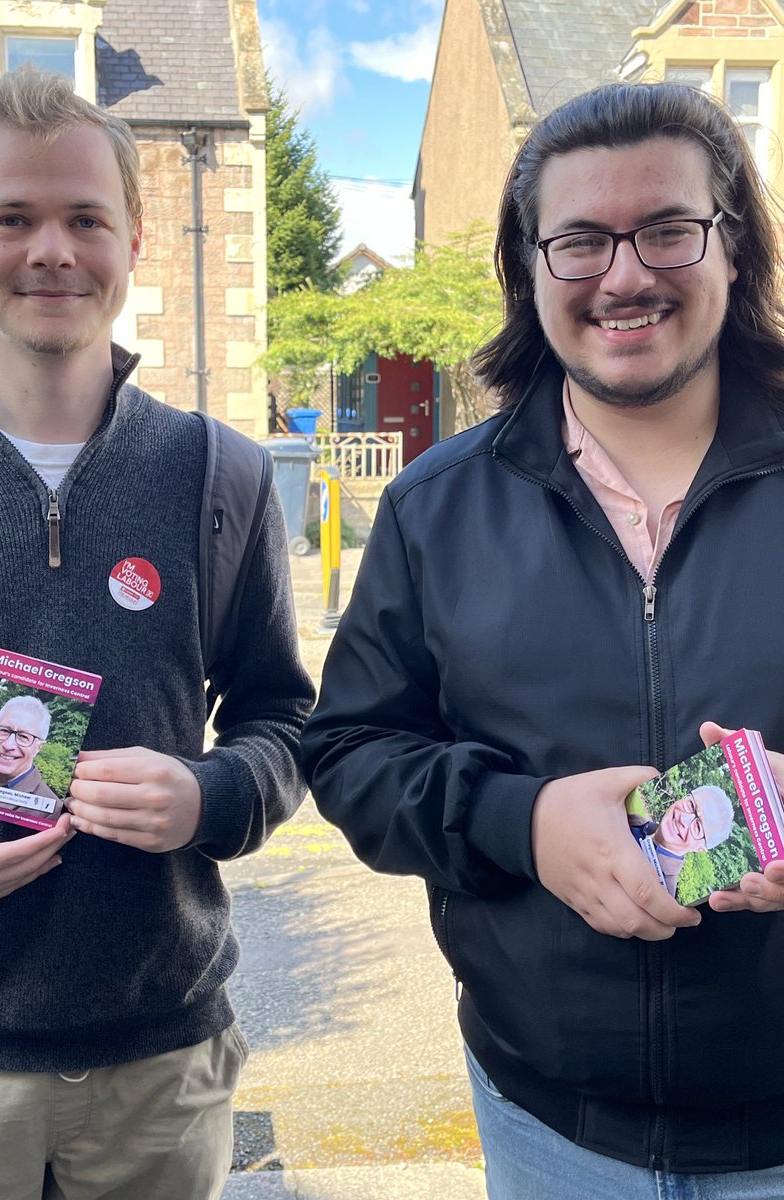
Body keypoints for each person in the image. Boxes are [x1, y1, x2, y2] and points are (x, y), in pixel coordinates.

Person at [301, 80, 784, 1197]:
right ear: (529, 270)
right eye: (579, 241)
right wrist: (520, 821)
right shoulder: (433, 511)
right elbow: (348, 755)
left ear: (734, 249)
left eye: (667, 228)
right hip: (548, 1132)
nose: (625, 274)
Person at [0, 69, 313, 1200]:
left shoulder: (219, 475)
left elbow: (285, 719)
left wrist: (212, 796)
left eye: (86, 218)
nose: (51, 250)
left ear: (137, 241)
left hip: (159, 1068)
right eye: (12, 218)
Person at [628, 785, 734, 897]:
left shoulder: (662, 893)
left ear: (700, 848)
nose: (683, 819)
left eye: (698, 827)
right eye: (691, 805)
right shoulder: (637, 822)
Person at [0, 696, 59, 807]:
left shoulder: (51, 811)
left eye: (23, 736)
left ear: (38, 748)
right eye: (4, 730)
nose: (8, 745)